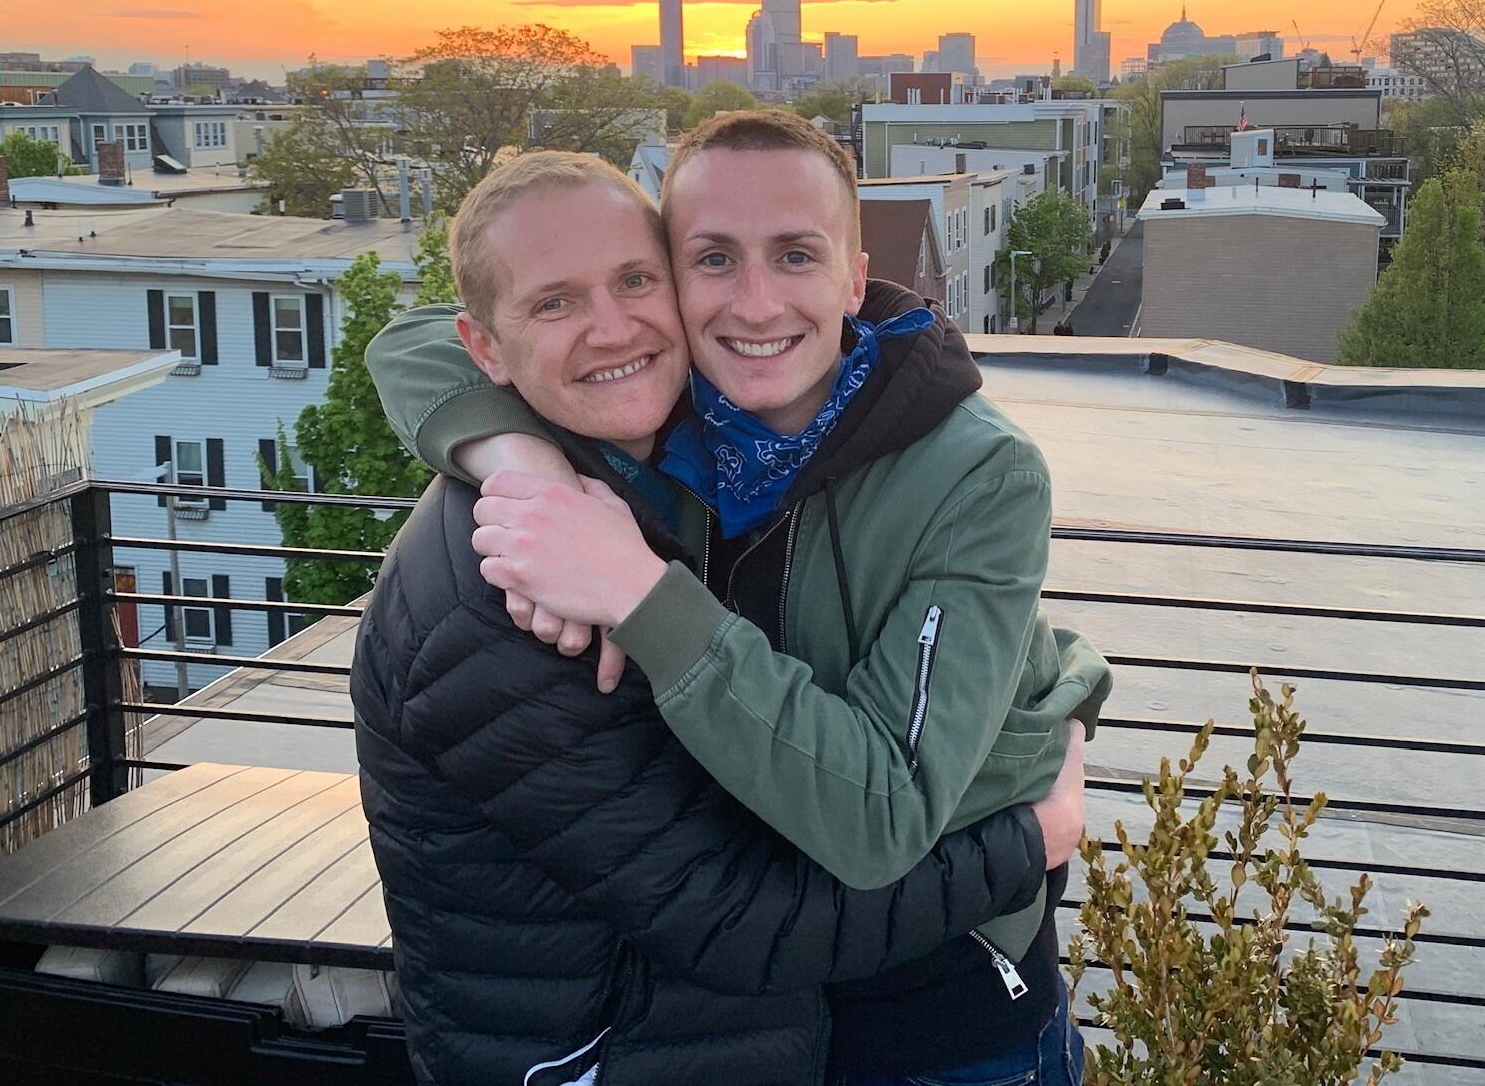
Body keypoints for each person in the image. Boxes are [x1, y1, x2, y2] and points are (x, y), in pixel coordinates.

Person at [367, 113, 1111, 1085]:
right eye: (711, 259)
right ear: (674, 278)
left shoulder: (974, 471)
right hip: (760, 1013)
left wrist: (641, 592)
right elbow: (419, 338)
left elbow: (881, 817)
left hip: (941, 1016)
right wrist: (524, 463)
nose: (756, 303)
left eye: (795, 255)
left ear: (853, 277)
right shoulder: (674, 403)